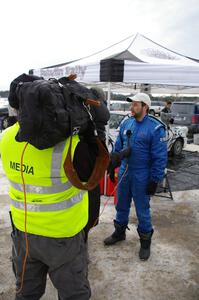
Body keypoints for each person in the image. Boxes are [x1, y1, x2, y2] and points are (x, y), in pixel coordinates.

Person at [0, 83, 106, 299]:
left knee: (26, 294)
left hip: (24, 233)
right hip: (63, 237)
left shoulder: (6, 137)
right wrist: (95, 129)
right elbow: (95, 171)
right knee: (73, 295)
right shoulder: (70, 142)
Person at [104, 92, 168, 261]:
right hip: (125, 171)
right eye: (131, 104)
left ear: (145, 107)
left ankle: (145, 243)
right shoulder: (127, 123)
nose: (131, 107)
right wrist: (113, 165)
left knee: (142, 211)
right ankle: (119, 232)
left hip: (142, 174)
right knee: (121, 205)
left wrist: (155, 179)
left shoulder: (155, 128)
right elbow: (118, 148)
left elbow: (160, 158)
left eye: (135, 104)